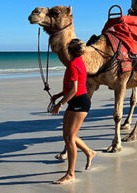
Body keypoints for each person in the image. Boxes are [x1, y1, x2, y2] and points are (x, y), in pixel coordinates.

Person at [50, 39, 95, 184]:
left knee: (69, 138)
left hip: (80, 103)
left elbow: (74, 89)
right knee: (68, 136)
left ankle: (70, 174)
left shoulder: (73, 64)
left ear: (70, 51)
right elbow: (72, 87)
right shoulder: (79, 61)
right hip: (76, 101)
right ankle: (89, 152)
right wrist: (58, 95)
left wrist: (60, 104)